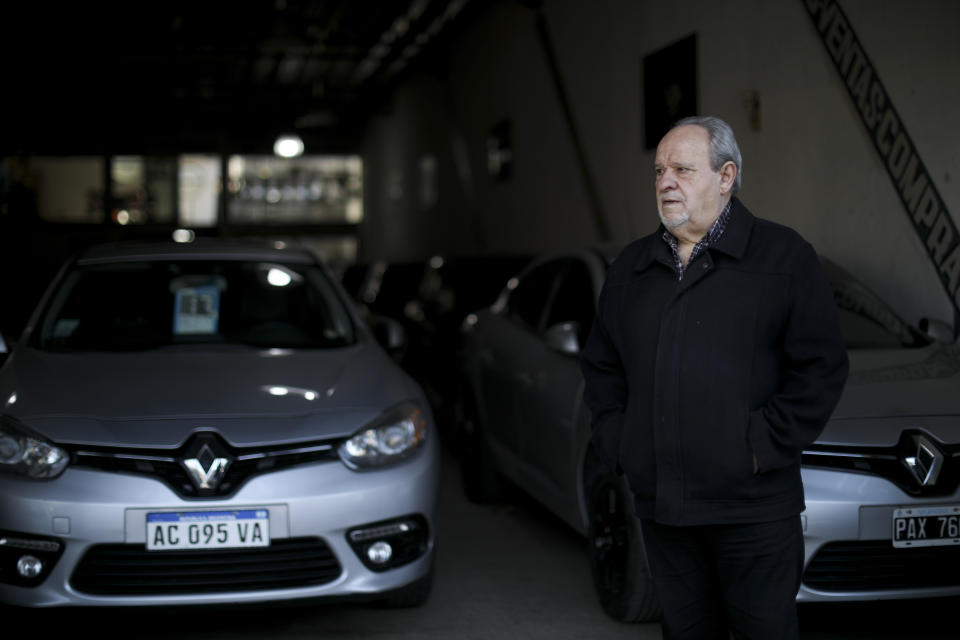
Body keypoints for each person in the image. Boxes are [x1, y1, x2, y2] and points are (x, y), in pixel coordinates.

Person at [580, 116, 849, 639]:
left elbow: (821, 367)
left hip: (753, 511)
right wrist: (622, 442)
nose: (665, 181)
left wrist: (759, 446)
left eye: (682, 168)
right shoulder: (631, 268)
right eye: (659, 170)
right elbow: (602, 366)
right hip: (664, 510)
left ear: (726, 177)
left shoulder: (782, 257)